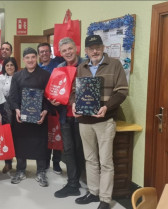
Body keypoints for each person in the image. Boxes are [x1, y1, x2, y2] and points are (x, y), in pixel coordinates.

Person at [72, 35, 128, 209]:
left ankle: (105, 198)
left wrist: (107, 107)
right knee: (90, 159)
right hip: (84, 120)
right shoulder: (81, 67)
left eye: (97, 47)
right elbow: (74, 91)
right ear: (86, 51)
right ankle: (93, 192)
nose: (94, 51)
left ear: (103, 48)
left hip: (105, 119)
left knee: (105, 161)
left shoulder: (115, 65)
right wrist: (73, 103)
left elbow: (122, 92)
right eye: (91, 48)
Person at [9, 47, 51, 187]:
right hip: (22, 117)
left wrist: (45, 111)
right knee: (21, 144)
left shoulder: (45, 75)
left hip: (39, 117)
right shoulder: (17, 76)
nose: (30, 60)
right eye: (27, 58)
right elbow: (13, 97)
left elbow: (49, 97)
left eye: (33, 57)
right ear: (23, 59)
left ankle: (41, 172)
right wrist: (16, 110)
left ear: (37, 58)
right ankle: (20, 170)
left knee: (40, 144)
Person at [51, 37, 86, 198]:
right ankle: (72, 183)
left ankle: (76, 180)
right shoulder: (59, 67)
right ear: (60, 53)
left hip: (83, 116)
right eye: (64, 51)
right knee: (69, 149)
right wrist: (53, 99)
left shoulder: (86, 65)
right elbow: (55, 89)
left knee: (80, 149)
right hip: (65, 115)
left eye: (70, 49)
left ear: (76, 48)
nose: (67, 53)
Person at [37, 42, 63, 174]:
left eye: (46, 51)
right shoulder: (37, 68)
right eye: (41, 52)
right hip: (43, 106)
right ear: (39, 54)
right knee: (46, 135)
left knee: (57, 134)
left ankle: (56, 162)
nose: (44, 53)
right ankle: (45, 161)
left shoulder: (58, 64)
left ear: (50, 52)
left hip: (58, 105)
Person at [0, 57, 19, 173]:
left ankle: (20, 163)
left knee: (18, 136)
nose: (9, 67)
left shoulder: (19, 76)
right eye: (7, 65)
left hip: (17, 108)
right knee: (6, 136)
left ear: (15, 66)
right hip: (4, 109)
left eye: (11, 65)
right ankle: (8, 162)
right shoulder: (0, 78)